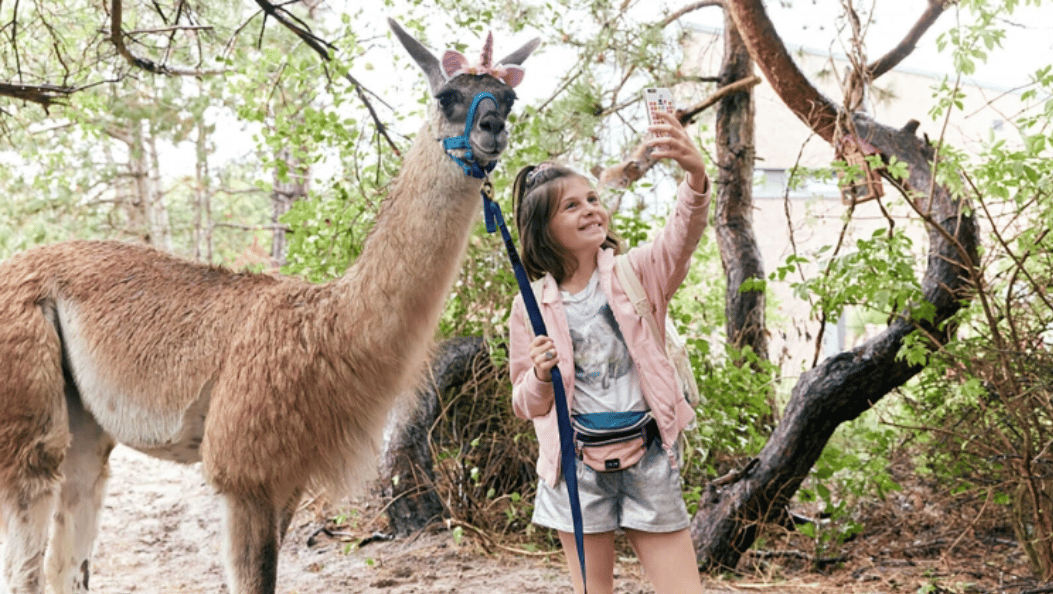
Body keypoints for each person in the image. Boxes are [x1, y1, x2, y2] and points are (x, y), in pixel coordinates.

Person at [508, 109, 710, 594]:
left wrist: (696, 174)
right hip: (574, 467)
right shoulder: (530, 304)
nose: (590, 209)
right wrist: (537, 375)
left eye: (593, 199)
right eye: (571, 206)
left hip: (649, 456)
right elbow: (526, 404)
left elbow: (682, 234)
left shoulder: (638, 271)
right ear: (542, 229)